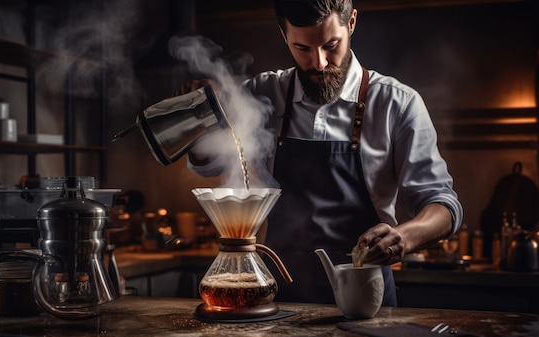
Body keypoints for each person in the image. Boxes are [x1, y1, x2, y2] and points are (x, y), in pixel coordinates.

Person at [185, 0, 463, 306]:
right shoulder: (261, 94)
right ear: (283, 35)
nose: (318, 62)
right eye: (302, 48)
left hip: (365, 304)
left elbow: (443, 207)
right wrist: (203, 115)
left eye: (331, 45)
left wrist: (404, 237)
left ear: (352, 23)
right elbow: (209, 164)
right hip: (278, 302)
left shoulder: (397, 104)